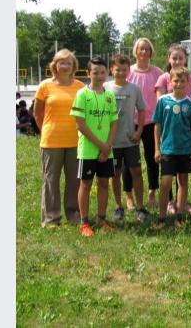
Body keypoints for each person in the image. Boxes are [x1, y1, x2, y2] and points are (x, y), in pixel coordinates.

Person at [34, 49, 85, 228]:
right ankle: (51, 218)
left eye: (68, 63)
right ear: (55, 65)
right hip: (51, 141)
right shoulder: (45, 86)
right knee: (51, 180)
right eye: (61, 62)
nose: (65, 66)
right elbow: (37, 113)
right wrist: (46, 130)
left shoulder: (80, 87)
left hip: (75, 141)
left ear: (73, 66)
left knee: (74, 180)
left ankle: (73, 213)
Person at [70, 57, 119, 237]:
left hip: (107, 149)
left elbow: (114, 122)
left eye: (102, 72)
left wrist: (108, 146)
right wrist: (101, 146)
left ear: (107, 73)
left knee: (104, 183)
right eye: (95, 72)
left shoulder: (109, 95)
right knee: (86, 184)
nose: (99, 76)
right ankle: (84, 223)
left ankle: (101, 219)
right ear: (88, 73)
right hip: (88, 150)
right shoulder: (82, 94)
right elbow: (80, 124)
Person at [152, 67, 191, 229]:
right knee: (165, 183)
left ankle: (180, 215)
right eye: (176, 81)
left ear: (187, 82)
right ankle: (161, 217)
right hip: (167, 149)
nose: (179, 84)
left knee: (183, 181)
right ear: (170, 82)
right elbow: (157, 125)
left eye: (182, 81)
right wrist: (157, 149)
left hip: (185, 150)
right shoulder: (163, 101)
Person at [104, 54, 149, 223]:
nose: (121, 73)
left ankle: (140, 207)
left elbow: (142, 110)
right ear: (112, 70)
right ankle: (118, 206)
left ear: (129, 70)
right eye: (118, 69)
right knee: (115, 174)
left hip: (130, 140)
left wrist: (139, 131)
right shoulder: (105, 88)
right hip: (112, 142)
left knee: (136, 172)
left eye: (124, 70)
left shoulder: (134, 88)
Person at [126, 38, 164, 211]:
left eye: (147, 49)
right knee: (129, 161)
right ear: (136, 51)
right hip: (130, 122)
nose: (143, 52)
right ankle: (129, 196)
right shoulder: (128, 71)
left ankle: (152, 192)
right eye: (141, 48)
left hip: (151, 122)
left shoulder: (157, 72)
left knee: (152, 159)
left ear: (151, 52)